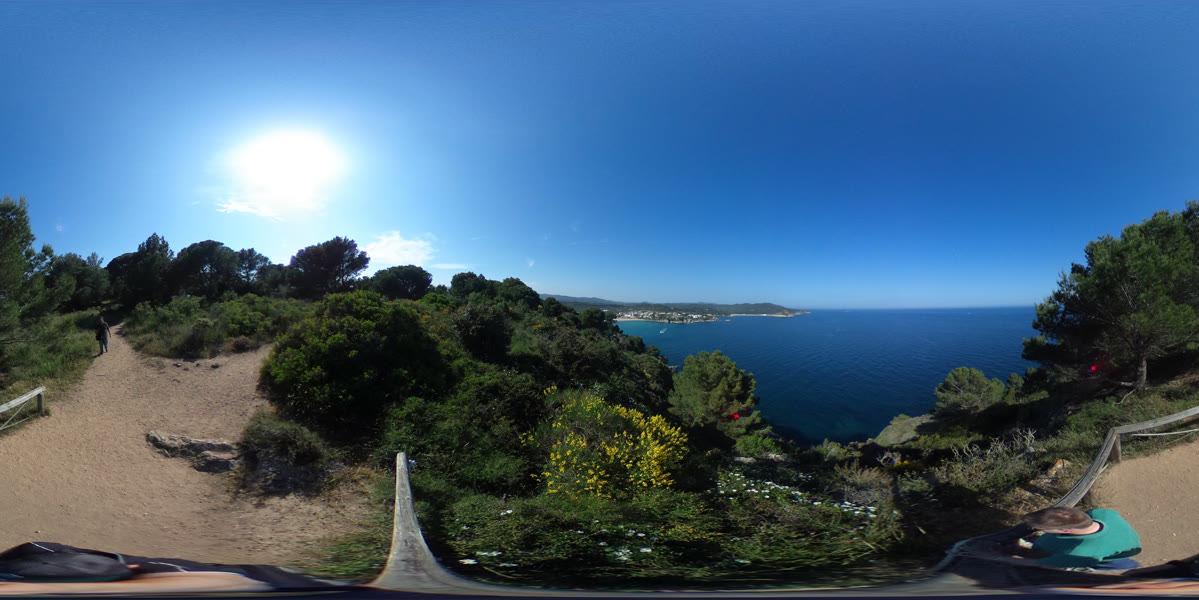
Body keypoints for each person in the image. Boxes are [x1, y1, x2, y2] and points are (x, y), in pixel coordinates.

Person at [1023, 506, 1142, 570]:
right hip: (1127, 543)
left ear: (1065, 530)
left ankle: (1127, 567)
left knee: (1108, 564)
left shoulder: (1079, 553)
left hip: (1108, 554)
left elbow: (1043, 564)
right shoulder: (1101, 513)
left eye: (1040, 528)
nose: (1035, 529)